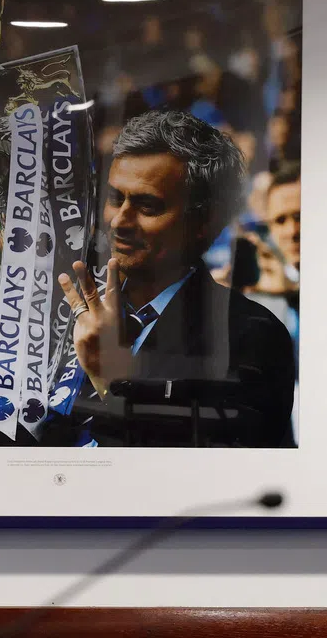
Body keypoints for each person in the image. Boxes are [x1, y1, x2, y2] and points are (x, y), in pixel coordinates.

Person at [54, 109, 296, 447]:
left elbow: (210, 472)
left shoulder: (251, 336)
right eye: (114, 198)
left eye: (147, 206)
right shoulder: (63, 309)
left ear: (203, 224)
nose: (120, 221)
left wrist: (110, 380)